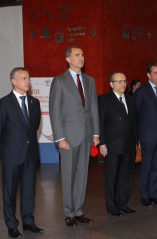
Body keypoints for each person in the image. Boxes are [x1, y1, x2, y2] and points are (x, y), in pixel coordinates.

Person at [49, 45, 100, 226]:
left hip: (86, 136)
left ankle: (78, 210)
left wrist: (95, 134)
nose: (81, 57)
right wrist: (59, 137)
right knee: (69, 175)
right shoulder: (59, 81)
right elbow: (55, 112)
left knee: (82, 175)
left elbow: (93, 108)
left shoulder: (89, 81)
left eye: (82, 54)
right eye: (77, 55)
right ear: (68, 59)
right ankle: (68, 212)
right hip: (68, 136)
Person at [0, 67, 43, 238]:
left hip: (30, 154)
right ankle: (12, 224)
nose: (27, 81)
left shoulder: (34, 102)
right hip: (11, 155)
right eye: (23, 78)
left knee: (29, 190)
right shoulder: (4, 103)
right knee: (10, 191)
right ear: (13, 81)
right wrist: (5, 148)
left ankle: (28, 221)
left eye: (28, 78)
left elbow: (34, 127)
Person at [98, 71, 138, 216]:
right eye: (119, 81)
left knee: (127, 177)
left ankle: (123, 203)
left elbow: (134, 123)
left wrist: (137, 140)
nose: (123, 84)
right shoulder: (104, 100)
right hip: (112, 145)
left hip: (129, 144)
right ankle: (111, 205)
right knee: (112, 177)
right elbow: (100, 123)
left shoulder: (131, 100)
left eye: (124, 81)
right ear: (111, 84)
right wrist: (102, 143)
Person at [135, 62, 157, 207]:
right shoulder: (141, 91)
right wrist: (137, 138)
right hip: (147, 136)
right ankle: (145, 196)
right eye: (155, 72)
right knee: (146, 167)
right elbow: (136, 115)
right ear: (148, 75)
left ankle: (154, 194)